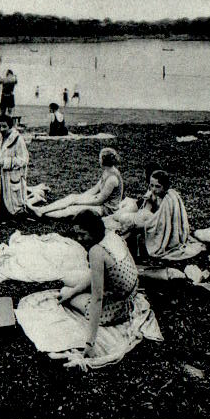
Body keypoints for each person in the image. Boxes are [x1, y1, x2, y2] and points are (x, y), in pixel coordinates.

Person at [58, 210, 139, 357]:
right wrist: (75, 290)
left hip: (117, 307)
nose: (79, 239)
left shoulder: (96, 251)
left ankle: (72, 293)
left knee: (64, 290)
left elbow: (97, 299)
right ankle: (74, 290)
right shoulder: (111, 235)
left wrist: (90, 343)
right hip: (127, 291)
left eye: (83, 234)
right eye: (77, 234)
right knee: (68, 279)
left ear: (94, 232)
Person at [32, 147, 123, 218]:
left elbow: (99, 201)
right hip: (98, 201)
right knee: (72, 197)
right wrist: (80, 198)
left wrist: (79, 202)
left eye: (100, 158)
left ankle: (43, 214)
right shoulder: (107, 171)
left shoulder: (112, 179)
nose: (99, 160)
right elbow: (95, 189)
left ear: (104, 160)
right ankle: (42, 210)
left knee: (73, 209)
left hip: (106, 209)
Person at [0, 114, 29, 215]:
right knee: (0, 198)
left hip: (13, 176)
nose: (1, 129)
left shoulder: (17, 139)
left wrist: (5, 162)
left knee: (14, 203)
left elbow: (24, 160)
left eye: (4, 126)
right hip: (0, 176)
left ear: (10, 126)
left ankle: (16, 210)